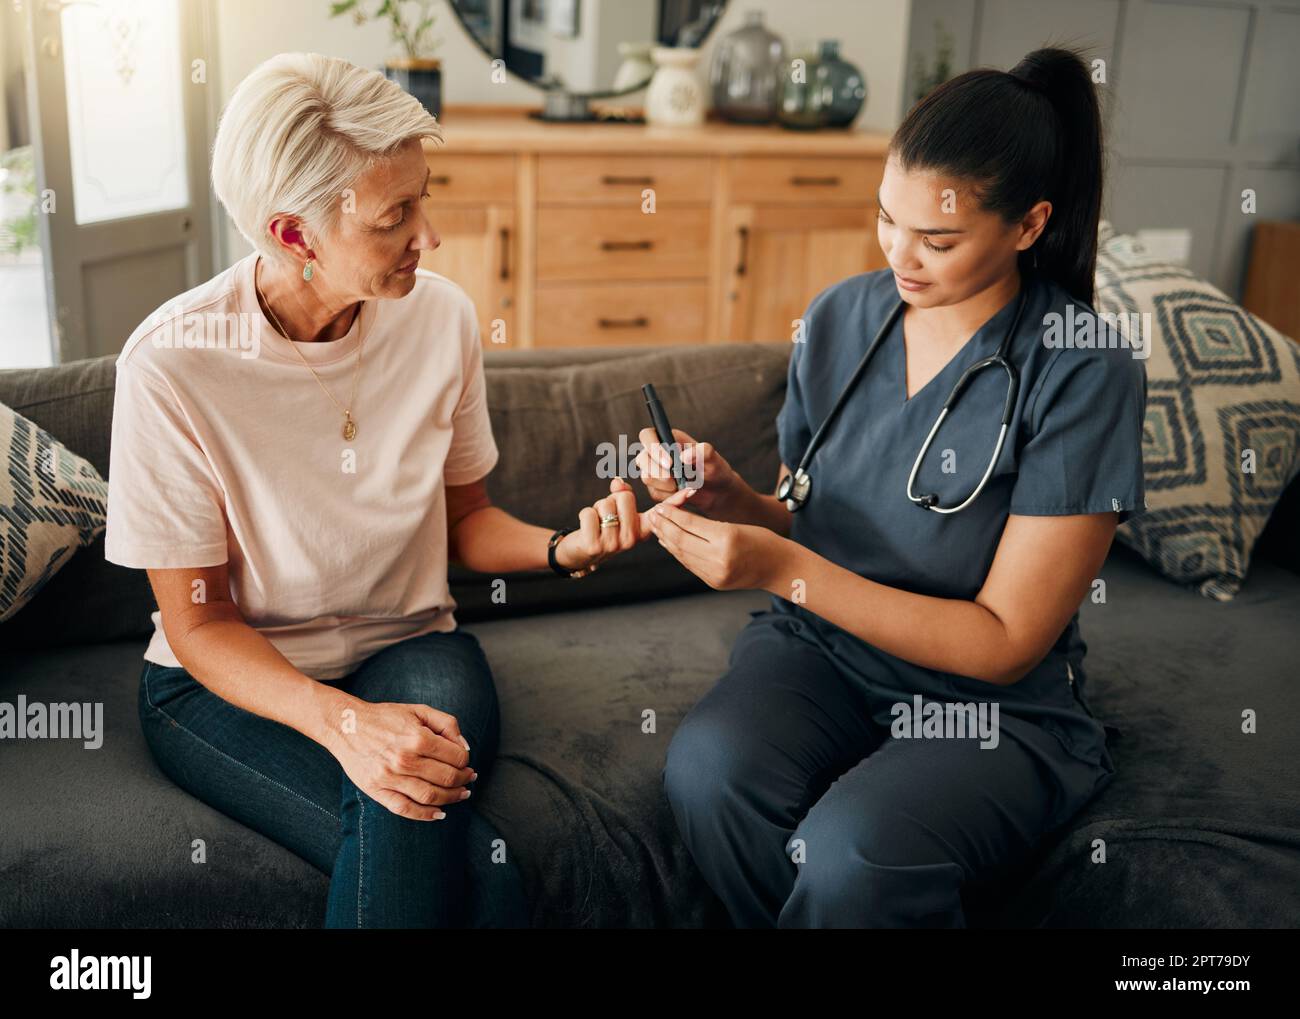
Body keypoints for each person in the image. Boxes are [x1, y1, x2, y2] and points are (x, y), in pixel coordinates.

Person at [104, 52, 683, 928]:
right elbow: (198, 622)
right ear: (295, 234)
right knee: (461, 864)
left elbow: (469, 523)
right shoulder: (172, 366)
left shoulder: (441, 317)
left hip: (413, 645)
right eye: (395, 216)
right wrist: (344, 724)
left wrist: (564, 549)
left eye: (424, 196)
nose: (432, 236)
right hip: (225, 684)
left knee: (406, 806)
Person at [638, 47, 1147, 927]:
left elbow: (1004, 641)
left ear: (1028, 226)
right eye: (887, 221)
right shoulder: (841, 316)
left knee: (854, 853)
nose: (901, 259)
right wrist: (731, 500)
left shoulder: (1083, 367)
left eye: (938, 239)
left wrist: (775, 567)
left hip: (990, 702)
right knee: (708, 772)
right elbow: (809, 513)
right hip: (823, 652)